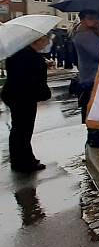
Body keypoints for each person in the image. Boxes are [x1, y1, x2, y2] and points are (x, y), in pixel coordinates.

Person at [1, 34, 52, 172]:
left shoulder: (18, 53)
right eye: (46, 39)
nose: (48, 42)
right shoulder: (30, 57)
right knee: (23, 130)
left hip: (15, 95)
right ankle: (23, 163)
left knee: (19, 129)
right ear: (37, 40)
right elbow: (33, 79)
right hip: (24, 97)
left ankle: (23, 159)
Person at [72, 9, 99, 148]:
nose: (96, 21)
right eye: (91, 18)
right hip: (91, 78)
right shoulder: (83, 35)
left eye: (97, 18)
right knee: (94, 108)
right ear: (83, 19)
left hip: (97, 76)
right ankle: (95, 137)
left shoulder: (93, 32)